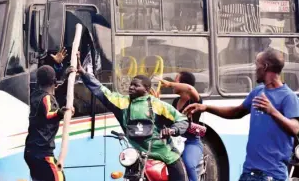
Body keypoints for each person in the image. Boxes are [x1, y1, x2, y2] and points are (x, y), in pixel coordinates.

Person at [70, 53, 190, 181]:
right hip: (136, 157)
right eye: (131, 84)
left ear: (147, 89)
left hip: (164, 154)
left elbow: (182, 120)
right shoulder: (121, 102)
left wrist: (173, 130)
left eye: (136, 85)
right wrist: (83, 73)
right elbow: (101, 90)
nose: (131, 87)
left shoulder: (158, 105)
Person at [185, 48, 299, 181]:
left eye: (257, 64)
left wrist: (272, 111)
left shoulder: (288, 97)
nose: (255, 69)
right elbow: (236, 112)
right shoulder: (258, 92)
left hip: (272, 175)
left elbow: (295, 128)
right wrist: (205, 107)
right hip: (249, 172)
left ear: (265, 66)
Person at [24, 65, 71, 181]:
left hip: (31, 152)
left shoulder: (35, 95)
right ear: (54, 82)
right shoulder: (46, 98)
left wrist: (67, 80)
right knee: (59, 178)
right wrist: (61, 112)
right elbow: (50, 114)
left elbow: (56, 94)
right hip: (42, 153)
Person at [160, 71, 203, 181]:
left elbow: (190, 89)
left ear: (183, 84)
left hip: (191, 142)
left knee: (188, 164)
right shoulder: (175, 101)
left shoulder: (194, 100)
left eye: (176, 81)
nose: (173, 83)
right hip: (175, 142)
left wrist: (169, 84)